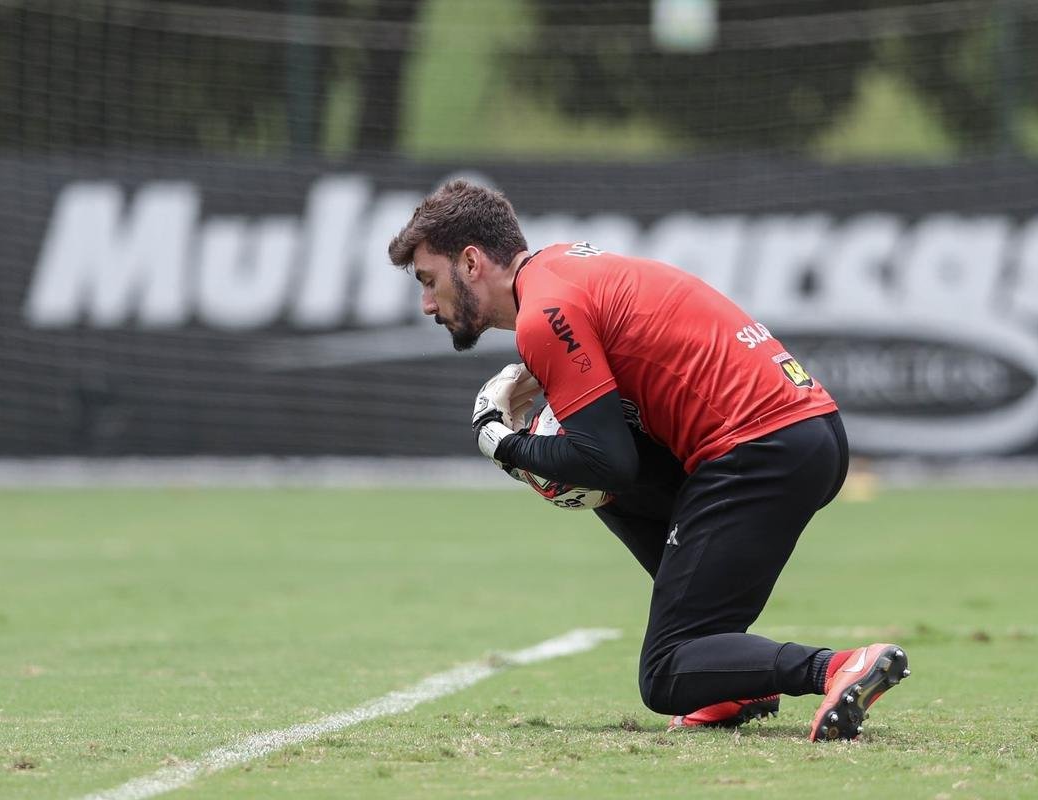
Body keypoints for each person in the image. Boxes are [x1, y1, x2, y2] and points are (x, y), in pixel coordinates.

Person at [388, 179, 909, 741]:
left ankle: (835, 667)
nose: (426, 304)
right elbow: (619, 460)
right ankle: (731, 683)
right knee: (601, 485)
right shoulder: (561, 267)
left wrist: (503, 444)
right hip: (805, 430)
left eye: (429, 280)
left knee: (665, 672)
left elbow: (605, 462)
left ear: (470, 262)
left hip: (762, 447)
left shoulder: (544, 313)